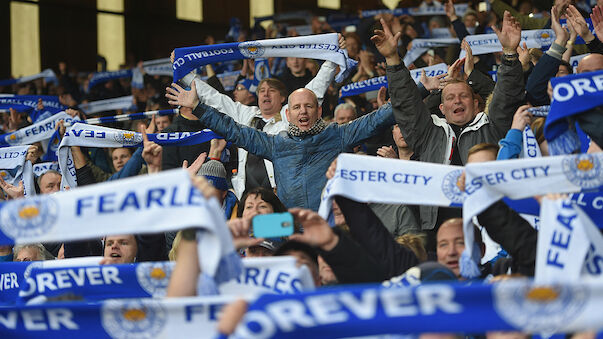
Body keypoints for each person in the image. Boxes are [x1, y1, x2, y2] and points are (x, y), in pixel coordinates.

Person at [374, 14, 524, 242]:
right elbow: (405, 103)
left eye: (463, 96)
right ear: (441, 108)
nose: (457, 101)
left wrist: (510, 55)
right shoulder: (428, 131)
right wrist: (393, 59)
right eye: (451, 98)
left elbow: (506, 97)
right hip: (435, 228)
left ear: (476, 104)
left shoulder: (492, 125)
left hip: (487, 223)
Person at [166, 83, 395, 211]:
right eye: (297, 107)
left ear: (319, 111)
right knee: (256, 240)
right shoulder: (276, 144)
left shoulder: (338, 135)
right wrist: (197, 107)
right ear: (288, 113)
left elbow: (379, 118)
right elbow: (233, 129)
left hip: (331, 223)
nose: (303, 111)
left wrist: (421, 89)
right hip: (286, 226)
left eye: (308, 106)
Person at [172, 35, 344, 199]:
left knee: (277, 230)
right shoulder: (244, 114)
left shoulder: (289, 115)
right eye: (261, 90)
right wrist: (183, 72)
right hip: (247, 199)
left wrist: (332, 58)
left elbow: (315, 89)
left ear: (283, 98)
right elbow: (214, 97)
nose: (265, 94)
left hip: (279, 197)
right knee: (249, 231)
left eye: (271, 90)